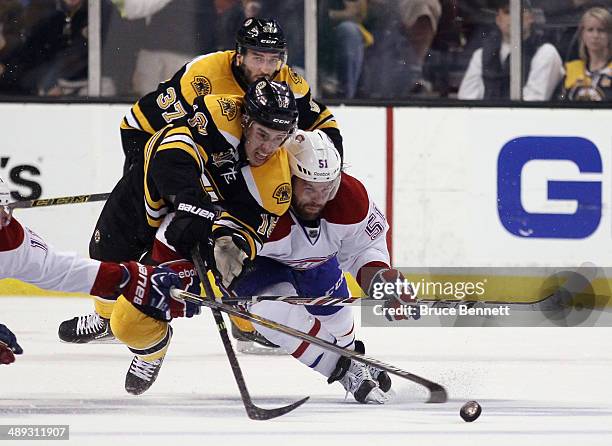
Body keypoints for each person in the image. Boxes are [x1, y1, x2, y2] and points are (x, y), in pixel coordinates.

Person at [59, 78, 299, 395]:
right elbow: (169, 155)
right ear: (245, 119)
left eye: (278, 138)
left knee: (130, 323)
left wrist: (230, 242)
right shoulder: (218, 113)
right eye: (262, 134)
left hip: (190, 234)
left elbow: (250, 232)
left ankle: (150, 349)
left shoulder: (276, 182)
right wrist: (193, 202)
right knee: (105, 255)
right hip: (148, 194)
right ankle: (102, 320)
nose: (267, 147)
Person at [228, 130, 413, 403]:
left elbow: (365, 246)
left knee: (336, 316)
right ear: (288, 177)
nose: (318, 198)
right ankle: (345, 369)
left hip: (316, 262)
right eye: (309, 187)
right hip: (261, 263)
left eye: (326, 188)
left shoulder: (350, 199)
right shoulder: (256, 199)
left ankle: (352, 355)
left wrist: (380, 279)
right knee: (269, 311)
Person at [0, 176, 186, 365]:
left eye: (5, 209)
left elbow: (62, 270)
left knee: (106, 245)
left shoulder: (11, 243)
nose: (5, 219)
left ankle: (111, 322)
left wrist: (130, 279)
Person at [121, 17, 342, 174]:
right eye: (257, 58)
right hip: (145, 135)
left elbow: (321, 120)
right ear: (239, 55)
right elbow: (174, 135)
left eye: (272, 59)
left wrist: (334, 167)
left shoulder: (286, 80)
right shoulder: (204, 77)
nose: (265, 68)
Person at [458, 0, 564, 100]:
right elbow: (466, 100)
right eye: (507, 12)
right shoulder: (481, 55)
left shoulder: (546, 52)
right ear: (498, 20)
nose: (514, 16)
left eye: (520, 10)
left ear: (531, 17)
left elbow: (533, 103)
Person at [560, 6, 612, 101]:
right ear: (582, 34)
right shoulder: (570, 69)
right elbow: (561, 100)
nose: (595, 35)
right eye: (590, 30)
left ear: (609, 35)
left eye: (601, 30)